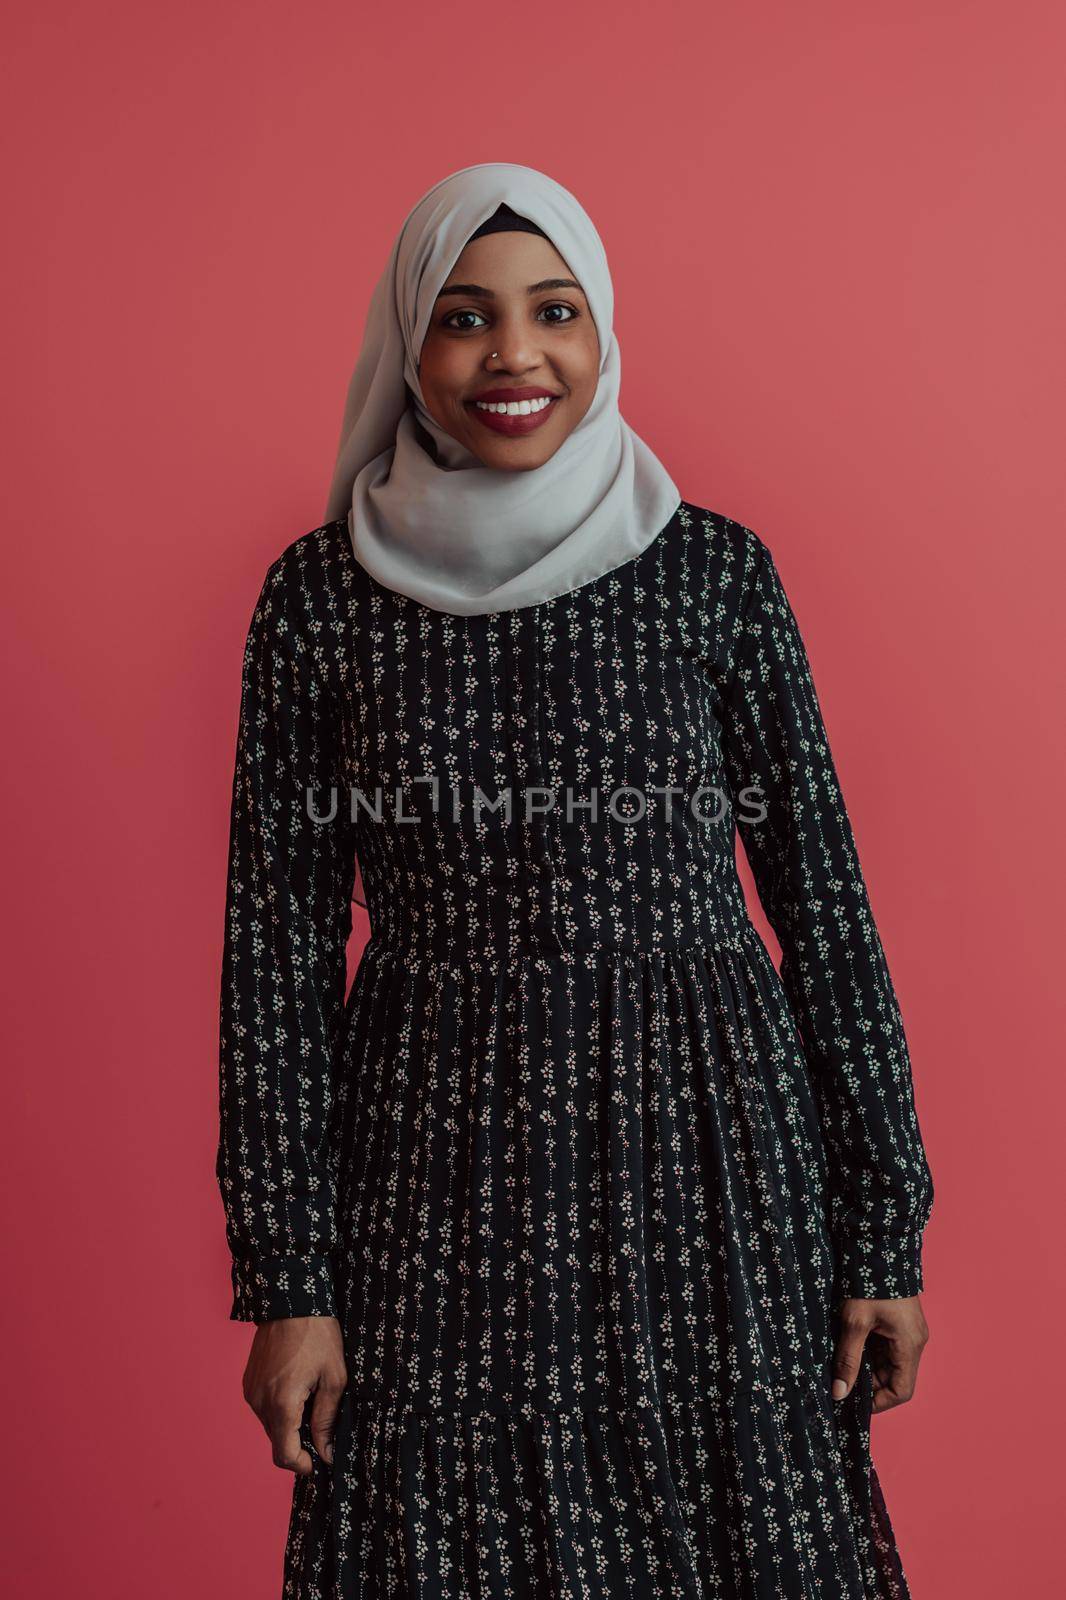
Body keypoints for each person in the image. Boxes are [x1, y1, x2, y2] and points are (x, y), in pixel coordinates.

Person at [216, 161, 934, 1599]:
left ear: (601, 333)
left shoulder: (711, 575)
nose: (513, 356)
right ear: (408, 346)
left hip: (710, 1162)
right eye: (465, 318)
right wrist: (287, 1278)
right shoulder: (318, 600)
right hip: (434, 1169)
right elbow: (273, 961)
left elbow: (827, 913)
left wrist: (882, 1225)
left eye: (554, 312)